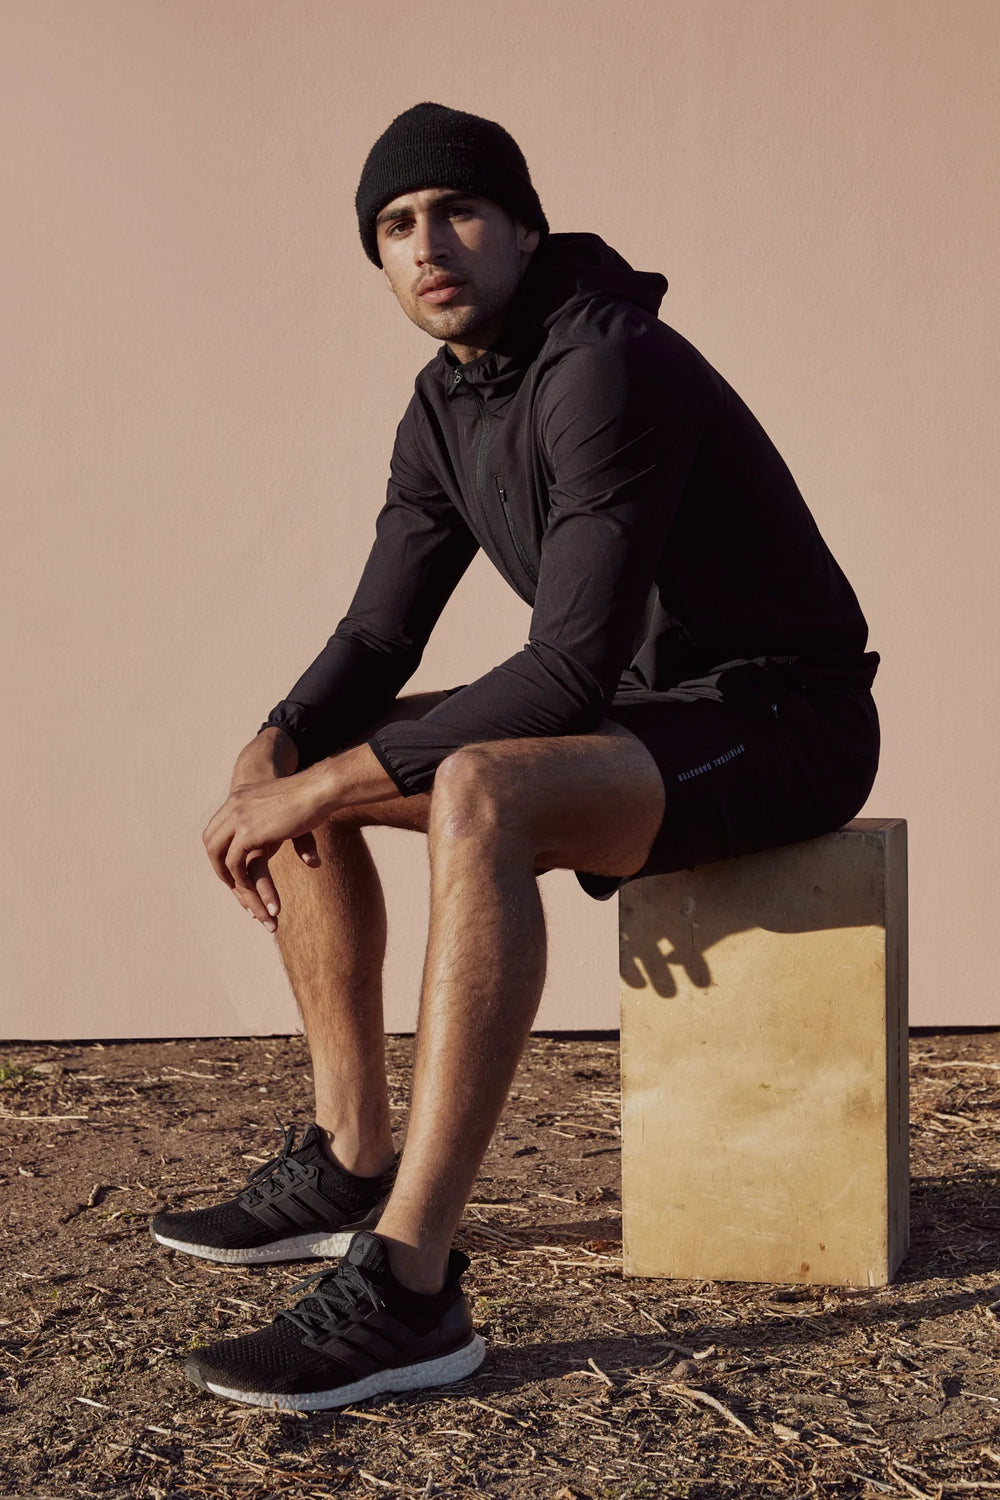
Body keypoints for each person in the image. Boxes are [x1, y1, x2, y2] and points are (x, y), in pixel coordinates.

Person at [153, 103, 880, 1411]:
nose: (427, 242)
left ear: (524, 226)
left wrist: (323, 781)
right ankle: (347, 1154)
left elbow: (567, 669)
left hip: (783, 721)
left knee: (476, 784)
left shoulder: (608, 363)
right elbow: (379, 630)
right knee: (303, 746)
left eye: (457, 211)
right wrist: (282, 745)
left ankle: (413, 1285)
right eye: (394, 224)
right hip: (649, 718)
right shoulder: (445, 405)